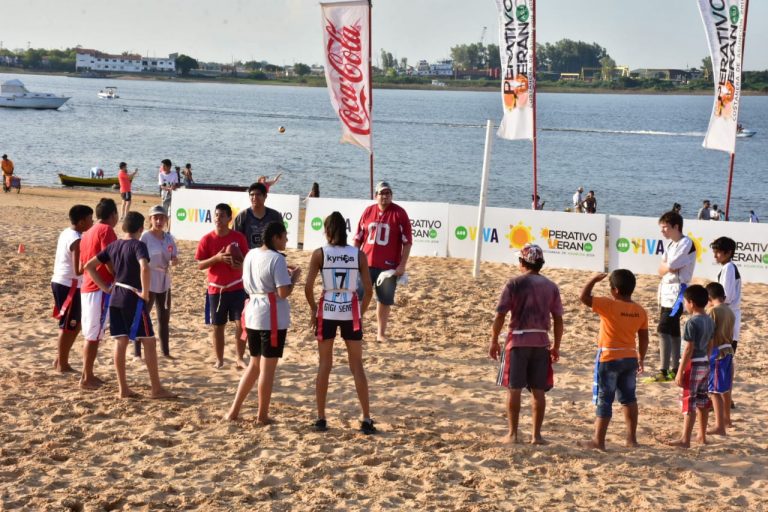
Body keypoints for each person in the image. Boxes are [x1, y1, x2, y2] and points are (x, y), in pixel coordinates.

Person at [84, 211, 175, 399]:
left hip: (116, 295)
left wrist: (105, 288)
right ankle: (156, 389)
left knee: (121, 340)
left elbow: (89, 266)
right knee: (149, 341)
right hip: (132, 297)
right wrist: (146, 292)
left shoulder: (114, 245)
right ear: (141, 228)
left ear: (124, 227)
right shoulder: (138, 245)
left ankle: (123, 389)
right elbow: (144, 267)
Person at [305, 212, 376, 434]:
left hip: (327, 309)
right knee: (357, 365)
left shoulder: (320, 253)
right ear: (345, 231)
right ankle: (366, 418)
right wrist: (360, 313)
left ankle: (321, 418)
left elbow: (308, 287)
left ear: (327, 231)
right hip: (349, 310)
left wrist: (313, 309)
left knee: (324, 364)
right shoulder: (358, 254)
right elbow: (369, 291)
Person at [225, 221, 301, 423]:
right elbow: (283, 292)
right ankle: (262, 415)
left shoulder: (251, 254)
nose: (286, 240)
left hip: (253, 312)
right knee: (267, 370)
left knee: (254, 366)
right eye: (284, 237)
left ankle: (234, 411)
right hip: (270, 316)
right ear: (276, 237)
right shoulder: (277, 258)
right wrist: (294, 278)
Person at [489, 244, 564, 445]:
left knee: (514, 389)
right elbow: (558, 319)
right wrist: (556, 346)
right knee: (538, 391)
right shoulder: (551, 286)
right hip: (541, 342)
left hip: (518, 341)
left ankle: (513, 434)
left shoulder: (514, 283)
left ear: (523, 262)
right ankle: (536, 436)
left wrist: (494, 340)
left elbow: (500, 315)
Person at [578, 270, 648, 450]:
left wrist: (593, 279)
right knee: (629, 399)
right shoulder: (640, 310)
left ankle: (598, 441)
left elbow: (583, 297)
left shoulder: (609, 305)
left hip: (609, 358)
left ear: (615, 290)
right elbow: (644, 338)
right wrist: (641, 358)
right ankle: (631, 440)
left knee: (605, 399)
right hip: (630, 357)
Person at [354, 181, 412, 342]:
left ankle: (380, 333)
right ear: (376, 196)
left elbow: (407, 242)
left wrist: (402, 265)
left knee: (384, 300)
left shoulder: (399, 213)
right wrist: (354, 258)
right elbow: (358, 238)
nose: (385, 196)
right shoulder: (368, 211)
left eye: (388, 193)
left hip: (388, 267)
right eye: (382, 193)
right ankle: (356, 328)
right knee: (359, 297)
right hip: (365, 263)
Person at [196, 203, 250, 369]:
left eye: (222, 215)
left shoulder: (238, 237)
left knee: (241, 324)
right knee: (218, 326)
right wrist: (217, 258)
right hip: (216, 289)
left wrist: (239, 264)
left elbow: (247, 260)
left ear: (229, 218)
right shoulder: (207, 239)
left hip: (237, 287)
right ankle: (219, 359)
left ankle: (239, 358)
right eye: (216, 215)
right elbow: (200, 265)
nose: (218, 218)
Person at [78, 198, 119, 390]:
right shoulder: (106, 230)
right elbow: (109, 257)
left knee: (92, 333)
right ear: (113, 215)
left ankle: (88, 374)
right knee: (94, 334)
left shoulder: (88, 232)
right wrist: (116, 275)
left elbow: (83, 264)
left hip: (88, 286)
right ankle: (87, 377)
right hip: (99, 288)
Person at [668, 285, 714, 448]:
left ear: (691, 303)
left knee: (689, 401)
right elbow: (711, 343)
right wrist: (706, 359)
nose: (685, 305)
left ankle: (685, 439)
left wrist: (680, 370)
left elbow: (688, 348)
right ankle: (702, 436)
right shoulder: (709, 320)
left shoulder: (692, 322)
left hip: (692, 364)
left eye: (685, 302)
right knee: (702, 400)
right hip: (704, 363)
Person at [51, 205, 94, 373]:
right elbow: (78, 269)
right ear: (82, 222)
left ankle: (60, 358)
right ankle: (62, 363)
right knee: (68, 325)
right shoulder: (76, 239)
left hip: (65, 282)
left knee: (75, 324)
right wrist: (94, 263)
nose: (92, 221)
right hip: (69, 285)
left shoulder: (67, 232)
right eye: (90, 218)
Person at [655, 210, 697, 382]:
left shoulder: (686, 242)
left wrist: (668, 267)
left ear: (676, 227)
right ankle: (674, 368)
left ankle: (663, 370)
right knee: (672, 329)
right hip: (666, 290)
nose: (662, 231)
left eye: (665, 227)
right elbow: (661, 269)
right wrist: (667, 267)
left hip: (678, 292)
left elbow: (671, 265)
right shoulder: (670, 244)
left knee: (663, 328)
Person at [137, 205, 178, 358]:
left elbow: (174, 256)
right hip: (149, 278)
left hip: (164, 280)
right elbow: (139, 257)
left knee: (164, 318)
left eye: (162, 218)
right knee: (143, 315)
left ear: (166, 220)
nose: (159, 221)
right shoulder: (145, 237)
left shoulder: (168, 237)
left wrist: (174, 260)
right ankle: (137, 353)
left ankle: (165, 352)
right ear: (150, 219)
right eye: (156, 218)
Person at [710, 236, 741, 416]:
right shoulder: (728, 267)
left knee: (723, 359)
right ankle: (727, 398)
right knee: (727, 359)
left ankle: (724, 399)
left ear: (728, 253)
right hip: (729, 316)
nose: (715, 255)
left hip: (726, 317)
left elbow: (726, 296)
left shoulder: (729, 267)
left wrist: (712, 304)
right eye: (714, 251)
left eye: (718, 252)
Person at [705, 282, 735, 436]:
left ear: (709, 297)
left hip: (717, 352)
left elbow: (709, 335)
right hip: (728, 351)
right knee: (725, 388)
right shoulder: (730, 311)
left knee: (714, 390)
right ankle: (727, 420)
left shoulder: (713, 311)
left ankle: (719, 426)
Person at [234, 182, 283, 250]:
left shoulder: (275, 216)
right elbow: (235, 240)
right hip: (249, 254)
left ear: (265, 196)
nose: (254, 197)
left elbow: (281, 238)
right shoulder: (242, 217)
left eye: (258, 194)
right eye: (252, 195)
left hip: (269, 254)